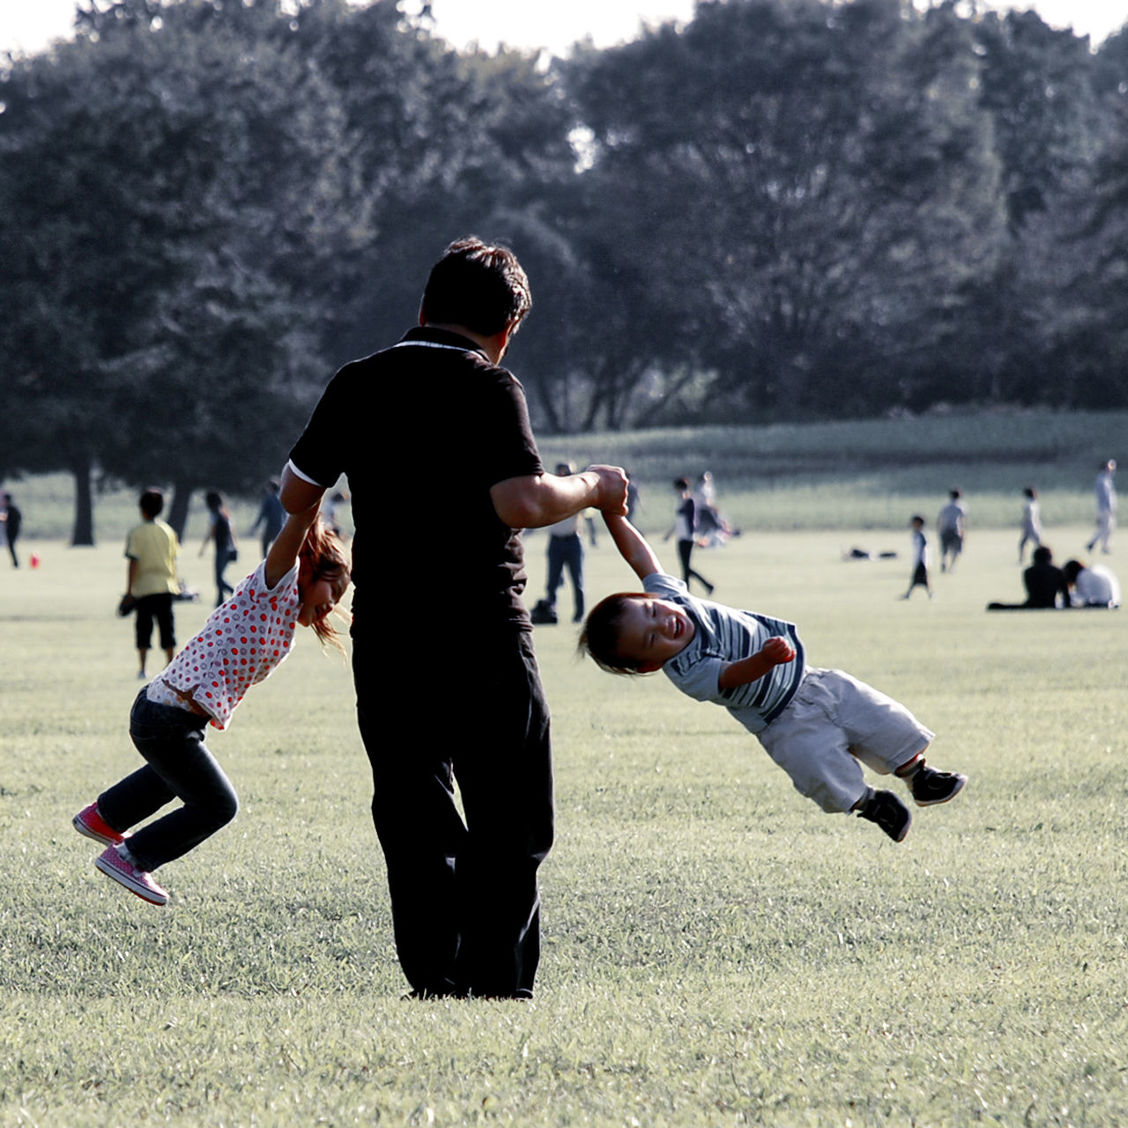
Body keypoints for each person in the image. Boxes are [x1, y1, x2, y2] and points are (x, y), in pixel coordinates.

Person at [280, 236, 628, 1000]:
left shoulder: (357, 380)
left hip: (390, 633)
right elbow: (522, 501)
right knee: (512, 818)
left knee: (413, 811)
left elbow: (295, 488)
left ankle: (435, 979)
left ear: (424, 306)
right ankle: (495, 982)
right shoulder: (488, 386)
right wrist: (594, 484)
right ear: (508, 327)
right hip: (482, 631)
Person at [580, 515, 967, 843]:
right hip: (782, 724)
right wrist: (763, 659)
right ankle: (870, 803)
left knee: (883, 719)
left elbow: (641, 558)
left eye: (650, 611)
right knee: (823, 774)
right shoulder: (686, 671)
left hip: (813, 681)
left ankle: (920, 777)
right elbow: (731, 677)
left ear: (652, 598)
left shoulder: (674, 599)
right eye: (651, 639)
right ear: (650, 665)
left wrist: (613, 513)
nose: (662, 623)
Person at [73, 508, 350, 905]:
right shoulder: (274, 586)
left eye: (341, 595)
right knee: (219, 804)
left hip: (169, 716)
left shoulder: (288, 615)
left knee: (176, 777)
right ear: (308, 568)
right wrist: (317, 480)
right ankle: (131, 858)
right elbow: (297, 524)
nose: (334, 602)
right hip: (167, 716)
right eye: (333, 589)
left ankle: (104, 816)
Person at [124, 488, 181, 678]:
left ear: (143, 509)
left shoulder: (137, 532)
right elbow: (173, 560)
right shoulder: (168, 531)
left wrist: (129, 590)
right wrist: (176, 583)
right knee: (167, 627)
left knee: (143, 628)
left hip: (145, 587)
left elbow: (133, 562)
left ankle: (142, 668)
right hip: (166, 585)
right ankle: (170, 666)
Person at [543, 462, 586, 623]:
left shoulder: (577, 494)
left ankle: (579, 615)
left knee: (578, 581)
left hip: (573, 540)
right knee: (552, 581)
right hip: (555, 541)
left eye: (566, 473)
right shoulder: (550, 493)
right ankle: (550, 611)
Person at [665, 477, 713, 595]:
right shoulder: (680, 500)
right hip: (681, 537)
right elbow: (678, 521)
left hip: (688, 537)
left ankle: (693, 590)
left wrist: (694, 536)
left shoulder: (690, 501)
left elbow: (693, 521)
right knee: (685, 567)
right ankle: (701, 587)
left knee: (686, 567)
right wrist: (669, 534)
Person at [987, 545, 1070, 610]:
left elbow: (1031, 592)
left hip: (1032, 604)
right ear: (1050, 558)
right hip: (1050, 605)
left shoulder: (1028, 571)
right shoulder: (1058, 571)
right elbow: (1066, 595)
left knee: (994, 605)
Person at [199, 490, 238, 606]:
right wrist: (234, 546)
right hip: (228, 548)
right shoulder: (225, 514)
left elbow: (211, 533)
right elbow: (231, 532)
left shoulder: (214, 515)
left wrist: (203, 548)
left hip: (221, 549)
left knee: (218, 579)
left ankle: (235, 593)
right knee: (220, 575)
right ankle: (220, 601)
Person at [1085, 459, 1117, 554]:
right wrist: (1109, 508)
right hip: (1105, 509)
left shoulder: (1106, 479)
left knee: (1107, 528)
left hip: (1106, 508)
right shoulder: (1102, 480)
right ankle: (1103, 546)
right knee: (1106, 528)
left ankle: (1093, 543)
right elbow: (1105, 496)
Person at [250, 478, 285, 558]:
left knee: (265, 543)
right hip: (281, 527)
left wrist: (255, 526)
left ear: (271, 488)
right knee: (278, 547)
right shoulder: (282, 499)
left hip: (271, 527)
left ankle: (265, 562)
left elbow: (262, 514)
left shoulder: (269, 498)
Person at [936, 488, 967, 573]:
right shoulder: (961, 507)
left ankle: (943, 561)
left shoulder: (945, 506)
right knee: (956, 550)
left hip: (945, 530)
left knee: (944, 549)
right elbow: (962, 520)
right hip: (955, 530)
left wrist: (939, 530)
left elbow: (940, 519)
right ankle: (952, 567)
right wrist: (963, 532)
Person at [902, 515, 932, 600]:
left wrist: (922, 560)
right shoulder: (916, 534)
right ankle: (910, 594)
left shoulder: (921, 535)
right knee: (920, 579)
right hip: (918, 559)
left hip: (921, 560)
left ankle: (929, 594)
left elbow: (923, 548)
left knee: (920, 578)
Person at [1018, 487, 1042, 564]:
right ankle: (1022, 558)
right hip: (1034, 525)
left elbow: (1029, 515)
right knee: (1028, 542)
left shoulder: (1029, 504)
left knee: (1034, 543)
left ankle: (1023, 558)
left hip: (1030, 525)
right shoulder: (1035, 503)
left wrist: (1027, 525)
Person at [1, 492, 22, 568]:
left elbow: (4, 518)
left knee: (11, 546)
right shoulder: (14, 508)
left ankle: (16, 563)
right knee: (11, 546)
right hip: (14, 530)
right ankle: (15, 563)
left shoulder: (9, 508)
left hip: (11, 531)